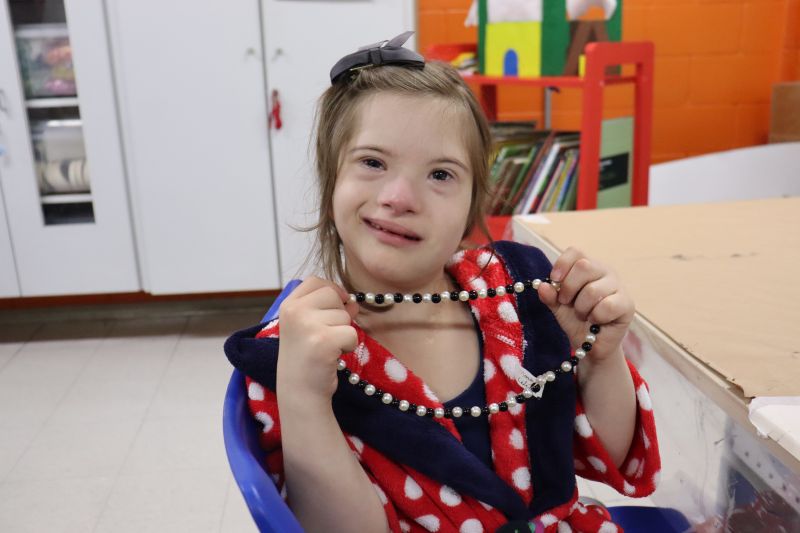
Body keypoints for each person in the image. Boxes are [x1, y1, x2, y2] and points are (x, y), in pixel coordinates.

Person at [225, 32, 660, 533]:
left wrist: (601, 357)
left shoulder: (518, 293)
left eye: (440, 175)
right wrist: (303, 394)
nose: (399, 197)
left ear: (473, 207)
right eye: (372, 162)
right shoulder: (296, 351)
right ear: (331, 183)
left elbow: (612, 454)